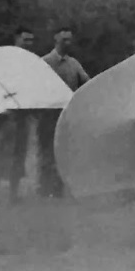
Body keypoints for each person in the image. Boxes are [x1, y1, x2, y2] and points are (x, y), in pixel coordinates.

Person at [35, 28, 91, 198]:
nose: (67, 43)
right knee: (46, 154)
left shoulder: (74, 64)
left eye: (69, 40)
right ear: (56, 39)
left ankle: (58, 191)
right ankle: (45, 191)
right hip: (47, 117)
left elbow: (87, 83)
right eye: (64, 39)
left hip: (66, 117)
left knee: (64, 154)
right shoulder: (44, 63)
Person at [0, 27, 36, 203]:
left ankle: (13, 196)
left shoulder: (31, 64)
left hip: (22, 118)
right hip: (4, 118)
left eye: (31, 40)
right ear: (16, 39)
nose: (28, 44)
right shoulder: (3, 61)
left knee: (18, 156)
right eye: (25, 39)